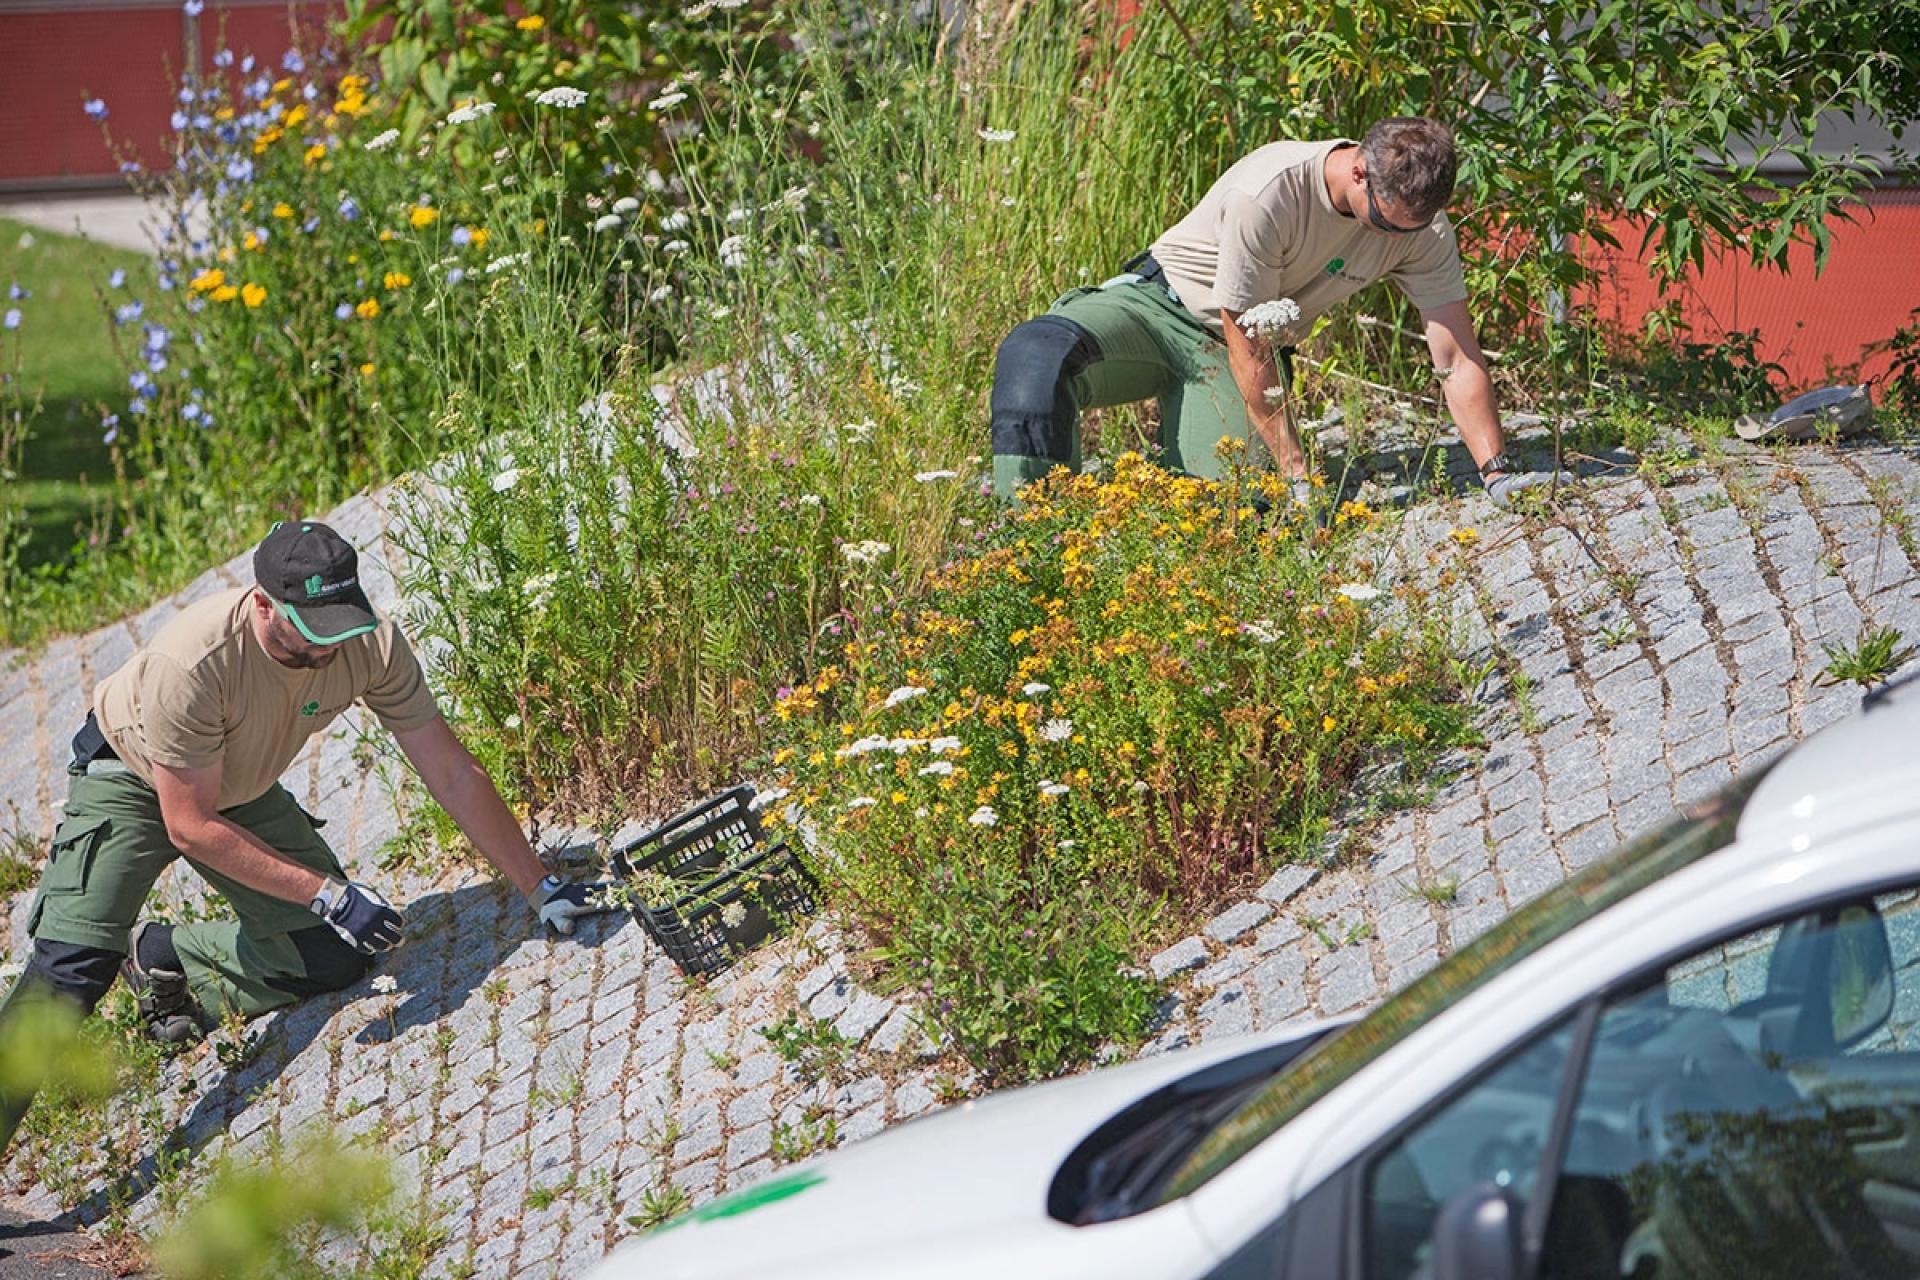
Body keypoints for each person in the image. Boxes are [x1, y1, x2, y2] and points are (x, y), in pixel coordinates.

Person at [0, 520, 611, 1152]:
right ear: (264, 604)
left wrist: (538, 885)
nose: (333, 646)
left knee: (333, 954)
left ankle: (165, 957)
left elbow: (452, 773)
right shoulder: (192, 663)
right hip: (133, 776)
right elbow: (188, 826)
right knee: (70, 969)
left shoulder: (366, 643)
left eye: (343, 621)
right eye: (316, 629)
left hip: (235, 782)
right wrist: (329, 892)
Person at [989, 116, 1568, 507]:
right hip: (1156, 309)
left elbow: (1457, 358)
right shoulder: (1270, 192)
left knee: (1234, 513)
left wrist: (1498, 476)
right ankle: (1031, 546)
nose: (1397, 238)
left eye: (1411, 228)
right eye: (1387, 222)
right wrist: (1298, 472)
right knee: (1036, 356)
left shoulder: (1420, 227)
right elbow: (1247, 335)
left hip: (1229, 355)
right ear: (1359, 171)